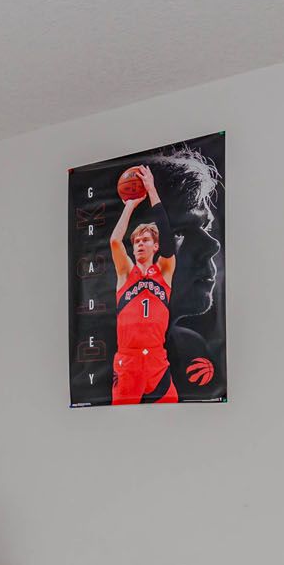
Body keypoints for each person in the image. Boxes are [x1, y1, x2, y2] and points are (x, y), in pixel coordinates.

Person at [108, 165, 177, 404]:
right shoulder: (126, 272)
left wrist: (152, 190)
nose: (139, 243)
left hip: (157, 360)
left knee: (172, 417)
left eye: (145, 240)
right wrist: (130, 205)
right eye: (136, 240)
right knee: (122, 421)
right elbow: (115, 241)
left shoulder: (164, 271)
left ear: (155, 246)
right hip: (128, 360)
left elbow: (168, 241)